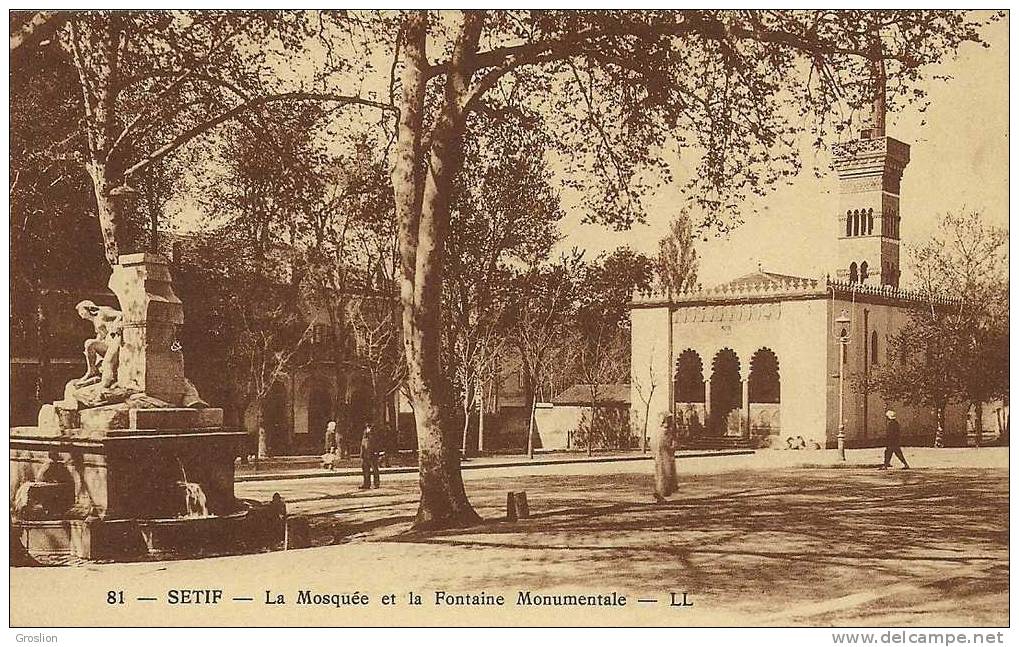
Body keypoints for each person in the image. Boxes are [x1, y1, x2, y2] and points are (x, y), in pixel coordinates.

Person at [653, 413, 678, 503]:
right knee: (665, 475)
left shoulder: (658, 430)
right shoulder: (666, 431)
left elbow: (655, 444)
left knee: (661, 474)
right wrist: (672, 447)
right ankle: (661, 494)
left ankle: (660, 492)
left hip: (660, 456)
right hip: (666, 456)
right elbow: (667, 444)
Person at [359, 423, 381, 490]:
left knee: (374, 469)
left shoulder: (374, 435)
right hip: (365, 454)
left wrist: (376, 452)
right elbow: (363, 444)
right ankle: (366, 483)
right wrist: (362, 454)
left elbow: (376, 444)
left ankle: (376, 484)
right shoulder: (364, 435)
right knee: (365, 470)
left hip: (372, 454)